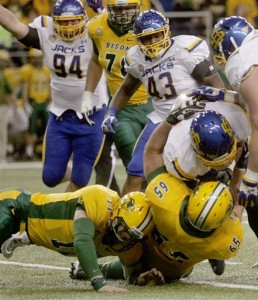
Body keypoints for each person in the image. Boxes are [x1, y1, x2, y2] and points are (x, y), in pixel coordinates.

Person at [101, 9, 225, 194]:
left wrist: (218, 112)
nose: (152, 42)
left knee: (197, 172)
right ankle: (127, 216)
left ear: (165, 31)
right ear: (137, 39)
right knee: (136, 171)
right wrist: (111, 112)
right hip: (160, 118)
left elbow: (217, 86)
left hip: (192, 116)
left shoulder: (184, 50)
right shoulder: (136, 59)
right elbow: (126, 89)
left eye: (156, 35)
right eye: (146, 38)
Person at [189, 16, 258, 281]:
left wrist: (251, 179)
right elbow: (254, 98)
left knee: (251, 190)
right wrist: (223, 95)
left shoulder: (240, 62)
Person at [0, 0, 108, 192]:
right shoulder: (46, 32)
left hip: (92, 115)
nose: (68, 27)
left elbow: (122, 30)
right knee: (50, 177)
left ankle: (65, 217)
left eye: (73, 21)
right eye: (63, 22)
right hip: (60, 116)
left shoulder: (95, 32)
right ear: (53, 21)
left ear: (84, 20)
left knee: (81, 178)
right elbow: (15, 26)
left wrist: (104, 12)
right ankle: (68, 179)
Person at [142, 99, 244, 278]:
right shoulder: (225, 243)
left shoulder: (166, 201)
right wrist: (240, 169)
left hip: (163, 251)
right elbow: (237, 202)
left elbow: (151, 152)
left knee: (138, 223)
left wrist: (169, 121)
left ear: (191, 199)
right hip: (182, 267)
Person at [0, 185, 155, 292]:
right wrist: (99, 282)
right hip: (15, 207)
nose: (123, 237)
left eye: (130, 236)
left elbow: (129, 272)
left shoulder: (129, 245)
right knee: (3, 225)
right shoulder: (101, 200)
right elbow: (82, 241)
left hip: (27, 230)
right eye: (122, 229)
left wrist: (139, 278)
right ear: (117, 213)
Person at [83, 0, 154, 195]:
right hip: (121, 108)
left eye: (128, 8)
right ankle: (127, 215)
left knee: (158, 164)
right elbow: (96, 61)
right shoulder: (96, 27)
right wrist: (88, 92)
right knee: (136, 168)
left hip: (153, 104)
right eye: (118, 8)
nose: (123, 13)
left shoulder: (147, 27)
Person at [20, 48, 50, 160]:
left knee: (49, 128)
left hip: (45, 102)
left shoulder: (46, 70)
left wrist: (51, 102)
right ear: (30, 59)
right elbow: (25, 87)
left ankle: (47, 150)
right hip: (33, 103)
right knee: (31, 128)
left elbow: (50, 86)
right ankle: (29, 152)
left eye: (38, 58)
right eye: (34, 58)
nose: (36, 60)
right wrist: (26, 103)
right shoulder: (27, 70)